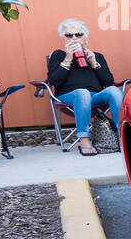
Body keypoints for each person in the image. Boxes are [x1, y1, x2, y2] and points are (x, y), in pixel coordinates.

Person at [46, 18, 122, 157]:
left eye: (78, 35)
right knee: (83, 93)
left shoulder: (97, 56)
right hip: (69, 96)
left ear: (85, 37)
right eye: (69, 35)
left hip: (96, 96)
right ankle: (84, 139)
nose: (74, 38)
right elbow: (54, 81)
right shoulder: (58, 55)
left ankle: (121, 136)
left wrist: (94, 62)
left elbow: (109, 82)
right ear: (64, 37)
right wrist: (68, 58)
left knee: (115, 91)